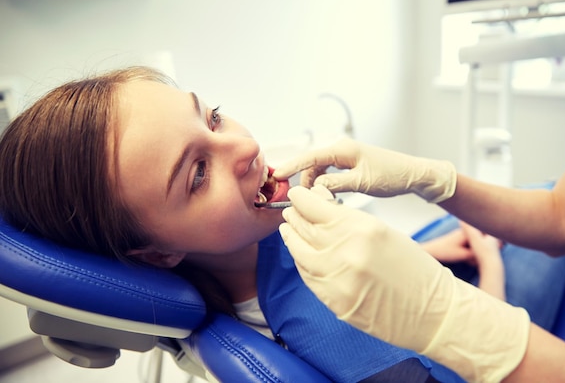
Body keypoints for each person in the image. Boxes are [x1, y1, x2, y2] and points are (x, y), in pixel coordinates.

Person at [0, 66, 472, 383]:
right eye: (199, 173)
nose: (246, 148)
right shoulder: (330, 328)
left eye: (214, 119)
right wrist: (488, 270)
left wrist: (421, 256)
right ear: (160, 255)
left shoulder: (264, 241)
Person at [274, 77, 565, 382]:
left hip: (455, 262)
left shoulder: (276, 271)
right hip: (489, 290)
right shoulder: (306, 322)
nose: (246, 149)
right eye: (213, 172)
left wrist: (423, 236)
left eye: (217, 117)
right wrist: (488, 262)